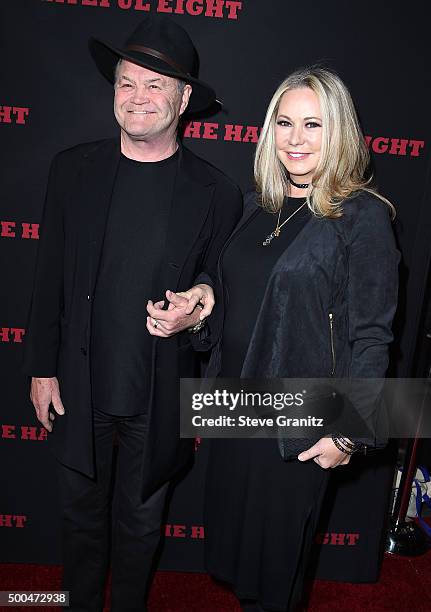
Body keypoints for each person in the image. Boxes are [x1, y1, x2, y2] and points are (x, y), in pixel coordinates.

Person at [24, 15, 242, 612]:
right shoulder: (72, 171)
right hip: (78, 385)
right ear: (113, 90)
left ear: (184, 98)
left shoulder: (217, 193)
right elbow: (47, 280)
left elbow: (218, 288)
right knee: (79, 526)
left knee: (142, 531)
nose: (138, 97)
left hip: (157, 393)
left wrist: (195, 313)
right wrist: (41, 368)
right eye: (127, 83)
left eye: (156, 85)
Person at [203, 67, 399, 611]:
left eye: (312, 124)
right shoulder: (253, 206)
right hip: (234, 409)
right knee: (240, 565)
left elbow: (372, 336)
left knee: (274, 576)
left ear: (338, 132)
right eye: (284, 123)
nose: (295, 139)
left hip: (299, 421)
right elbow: (225, 287)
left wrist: (347, 436)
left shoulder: (362, 218)